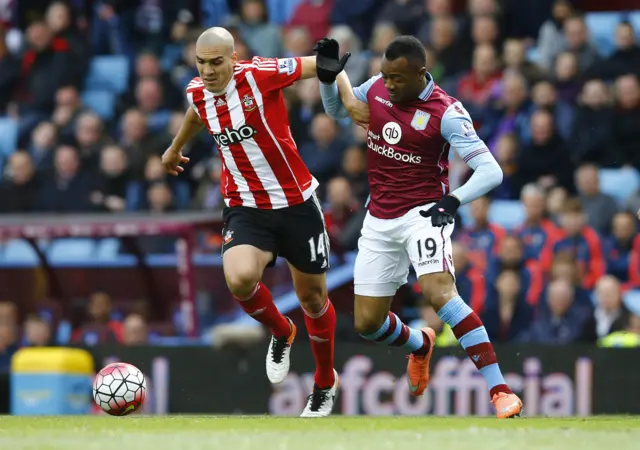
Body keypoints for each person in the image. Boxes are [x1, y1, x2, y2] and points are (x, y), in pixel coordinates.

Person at [316, 35, 522, 418]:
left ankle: (500, 390)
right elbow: (337, 112)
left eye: (397, 78)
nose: (389, 84)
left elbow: (490, 170)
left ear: (421, 74)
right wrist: (329, 80)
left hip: (424, 214)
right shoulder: (376, 88)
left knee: (439, 294)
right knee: (367, 323)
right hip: (378, 218)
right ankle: (418, 345)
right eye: (385, 76)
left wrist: (453, 199)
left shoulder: (447, 112)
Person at [161, 27, 353, 417]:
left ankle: (323, 381)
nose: (209, 71)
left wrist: (342, 91)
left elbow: (323, 65)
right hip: (246, 205)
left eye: (217, 62)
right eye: (202, 63)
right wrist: (175, 147)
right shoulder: (197, 90)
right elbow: (197, 113)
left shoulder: (258, 73)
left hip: (297, 202)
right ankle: (282, 330)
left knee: (314, 299)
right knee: (239, 279)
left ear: (234, 58)